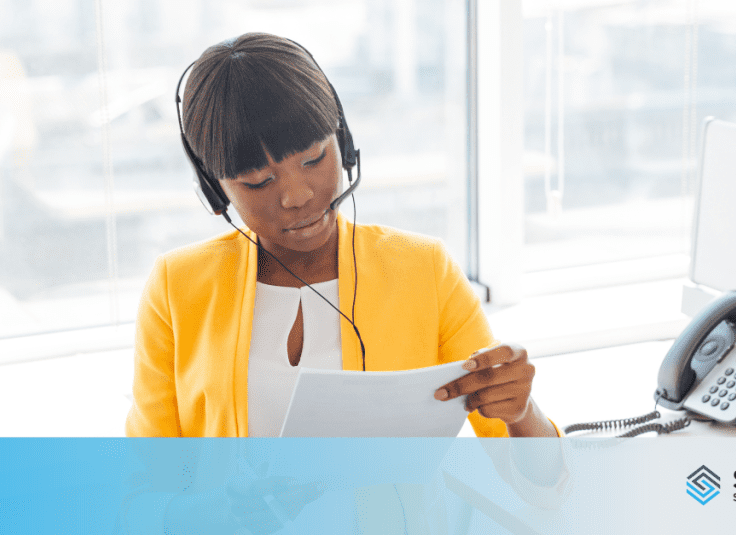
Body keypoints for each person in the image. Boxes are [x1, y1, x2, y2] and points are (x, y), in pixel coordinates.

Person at [125, 32, 559, 439]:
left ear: (344, 142)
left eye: (315, 158)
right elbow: (147, 486)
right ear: (213, 186)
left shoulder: (423, 268)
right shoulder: (176, 287)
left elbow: (545, 484)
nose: (297, 195)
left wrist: (521, 412)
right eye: (258, 181)